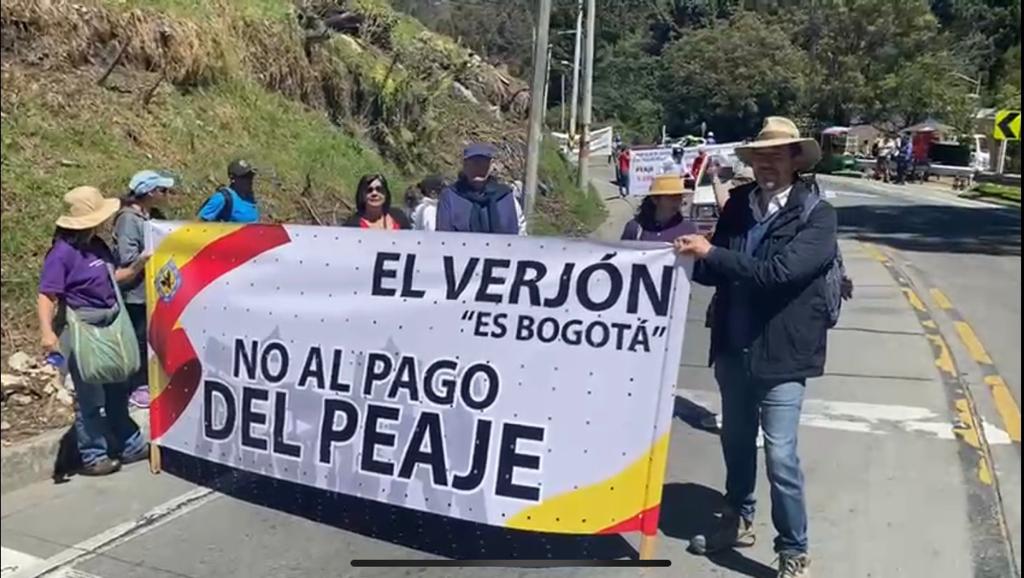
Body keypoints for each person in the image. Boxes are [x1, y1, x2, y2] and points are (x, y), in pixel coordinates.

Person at [674, 117, 835, 578]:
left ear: (795, 161)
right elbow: (716, 269)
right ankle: (737, 519)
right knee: (737, 444)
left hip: (785, 355)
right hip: (732, 346)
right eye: (760, 155)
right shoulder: (740, 205)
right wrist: (680, 249)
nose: (767, 163)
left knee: (780, 455)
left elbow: (778, 274)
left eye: (777, 155)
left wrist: (712, 254)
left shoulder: (818, 216)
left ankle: (793, 548)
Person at [38, 187, 150, 476]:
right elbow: (47, 296)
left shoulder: (96, 245)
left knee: (117, 388)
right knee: (89, 397)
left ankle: (130, 443)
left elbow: (114, 277)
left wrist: (138, 265)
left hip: (111, 325)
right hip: (83, 330)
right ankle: (93, 455)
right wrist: (47, 334)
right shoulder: (61, 254)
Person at [114, 170, 174, 409]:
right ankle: (136, 387)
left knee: (151, 336)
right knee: (138, 339)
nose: (167, 194)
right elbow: (127, 258)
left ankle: (150, 380)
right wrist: (148, 258)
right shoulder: (128, 220)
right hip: (135, 294)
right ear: (150, 192)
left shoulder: (151, 217)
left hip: (153, 291)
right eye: (163, 190)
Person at [437, 143, 526, 235]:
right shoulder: (450, 196)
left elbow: (513, 237)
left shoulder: (505, 196)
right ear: (465, 165)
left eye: (483, 163)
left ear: (491, 166)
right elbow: (443, 238)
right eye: (474, 163)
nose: (478, 168)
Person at [620, 174, 697, 241]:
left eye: (679, 197)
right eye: (671, 197)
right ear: (655, 199)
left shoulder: (688, 229)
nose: (677, 202)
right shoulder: (635, 228)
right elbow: (624, 255)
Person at [342, 174, 411, 230]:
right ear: (362, 195)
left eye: (379, 189)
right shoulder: (351, 226)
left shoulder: (399, 216)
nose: (374, 193)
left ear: (386, 194)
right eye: (369, 190)